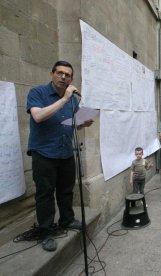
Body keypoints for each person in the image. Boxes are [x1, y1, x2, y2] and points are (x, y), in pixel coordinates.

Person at [26, 61, 94, 251]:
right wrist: (64, 99)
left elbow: (68, 123)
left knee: (66, 190)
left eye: (68, 75)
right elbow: (38, 116)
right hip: (44, 152)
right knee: (45, 194)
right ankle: (46, 231)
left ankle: (67, 219)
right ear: (52, 74)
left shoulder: (73, 100)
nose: (64, 77)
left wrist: (82, 124)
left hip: (65, 151)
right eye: (60, 73)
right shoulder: (37, 93)